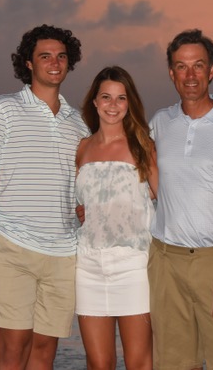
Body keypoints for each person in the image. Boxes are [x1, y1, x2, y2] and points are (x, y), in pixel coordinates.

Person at [0, 24, 89, 369]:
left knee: (43, 353)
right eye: (45, 56)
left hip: (64, 254)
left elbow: (79, 184)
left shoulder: (78, 122)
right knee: (12, 351)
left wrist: (83, 209)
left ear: (70, 63)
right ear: (28, 64)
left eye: (61, 56)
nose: (55, 63)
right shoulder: (3, 109)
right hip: (12, 248)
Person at [148, 29, 213, 370]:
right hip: (166, 259)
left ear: (211, 70)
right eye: (181, 67)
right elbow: (140, 174)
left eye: (198, 65)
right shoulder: (160, 122)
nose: (190, 75)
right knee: (173, 362)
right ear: (171, 73)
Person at [75, 66, 157, 370]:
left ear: (130, 103)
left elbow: (169, 201)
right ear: (94, 102)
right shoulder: (81, 148)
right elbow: (79, 203)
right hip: (88, 266)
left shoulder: (144, 147)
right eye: (106, 97)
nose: (113, 105)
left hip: (133, 267)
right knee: (98, 363)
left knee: (139, 363)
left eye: (121, 98)